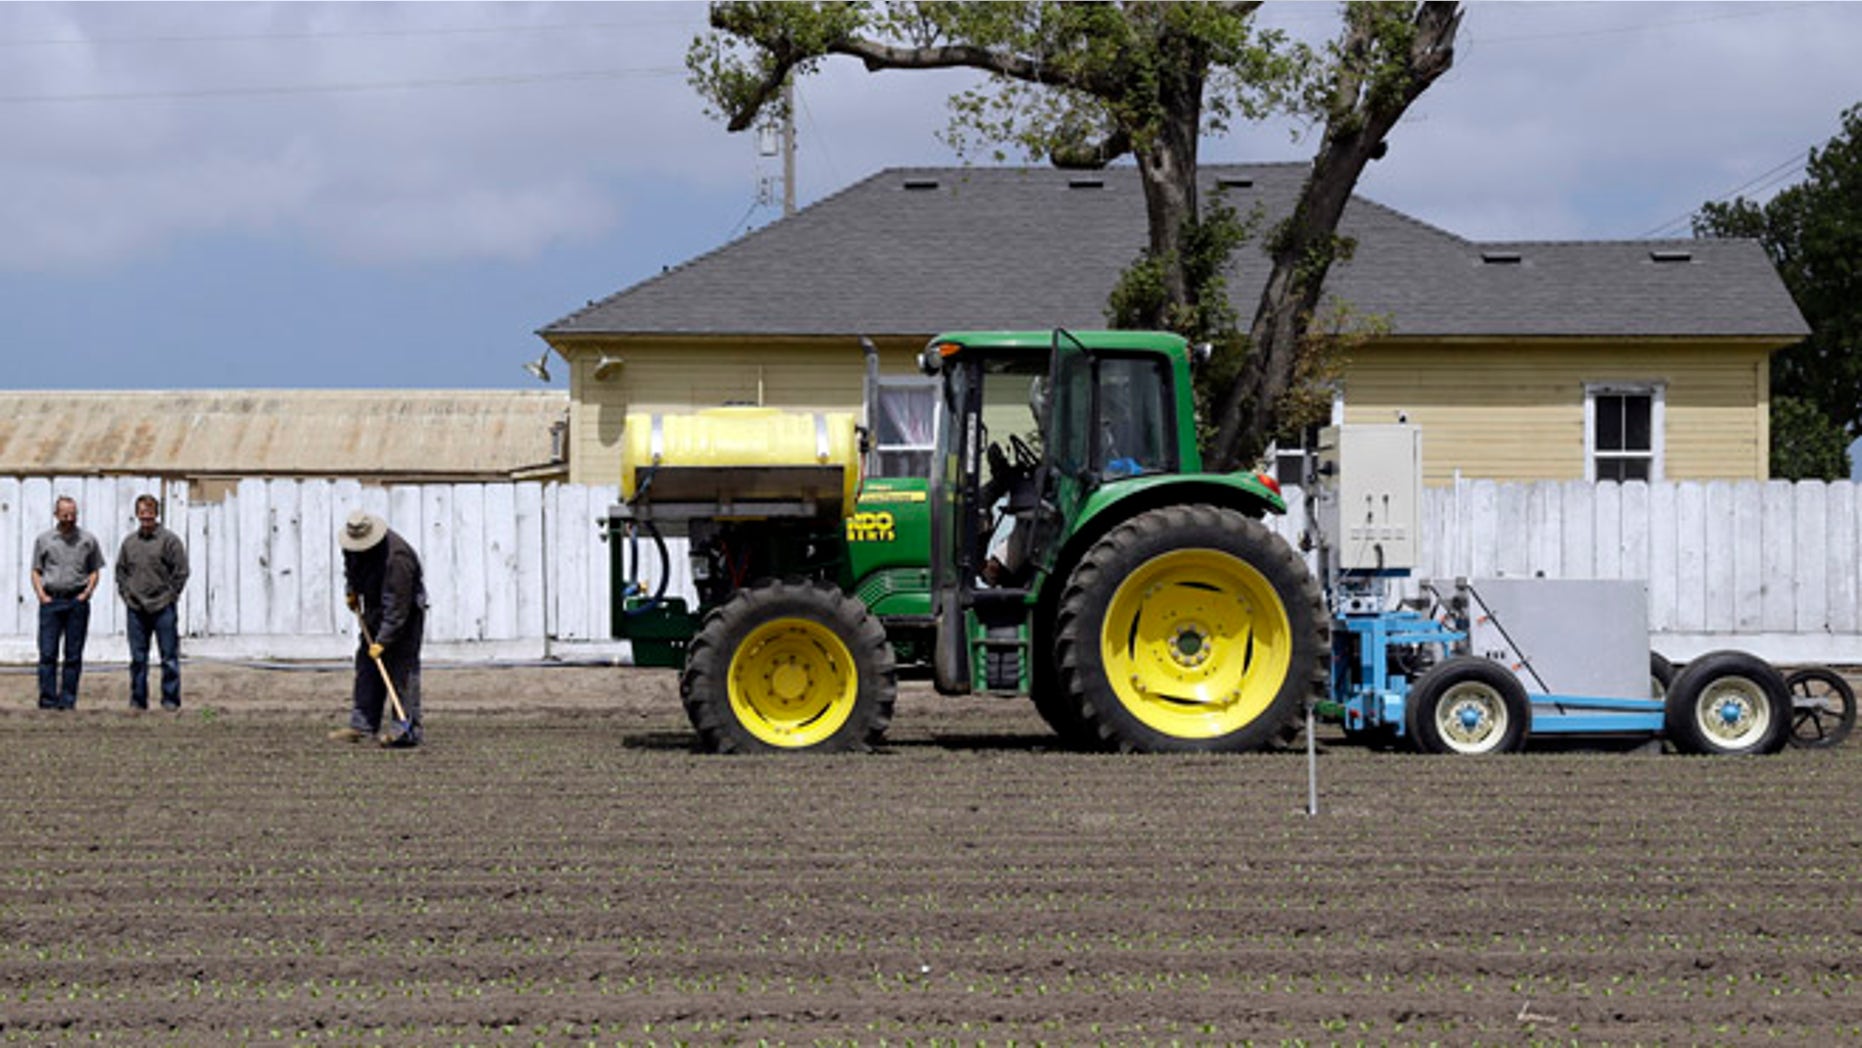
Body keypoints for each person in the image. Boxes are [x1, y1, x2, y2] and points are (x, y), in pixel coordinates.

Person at [332, 509, 426, 747]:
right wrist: (351, 591)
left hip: (404, 615)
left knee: (401, 670)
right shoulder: (353, 546)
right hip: (373, 608)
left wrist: (383, 641)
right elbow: (350, 568)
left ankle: (406, 729)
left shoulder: (397, 558)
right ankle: (362, 726)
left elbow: (397, 607)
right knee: (366, 666)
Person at [116, 494, 191, 711]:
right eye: (142, 513)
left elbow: (181, 571)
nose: (146, 517)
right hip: (136, 609)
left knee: (168, 657)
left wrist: (171, 596)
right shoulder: (129, 543)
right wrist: (127, 595)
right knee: (138, 659)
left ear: (156, 514)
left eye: (150, 513)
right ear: (137, 514)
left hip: (162, 608)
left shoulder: (169, 541)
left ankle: (170, 700)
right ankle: (138, 702)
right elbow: (121, 571)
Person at [32, 496, 105, 710]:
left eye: (73, 514)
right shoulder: (44, 540)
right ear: (56, 514)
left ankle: (67, 701)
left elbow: (94, 570)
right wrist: (41, 595)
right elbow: (36, 570)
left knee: (73, 655)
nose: (69, 518)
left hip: (76, 601)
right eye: (65, 514)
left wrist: (88, 592)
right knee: (47, 653)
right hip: (51, 600)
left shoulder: (87, 540)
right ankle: (47, 700)